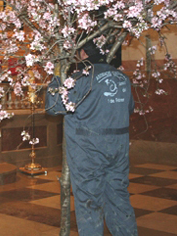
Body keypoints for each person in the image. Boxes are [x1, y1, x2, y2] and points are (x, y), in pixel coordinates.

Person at [46, 40, 137, 235]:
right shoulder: (123, 78)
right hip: (119, 147)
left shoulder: (82, 78)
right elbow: (129, 108)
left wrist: (56, 77)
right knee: (118, 197)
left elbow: (54, 107)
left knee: (89, 200)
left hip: (89, 148)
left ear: (83, 54)